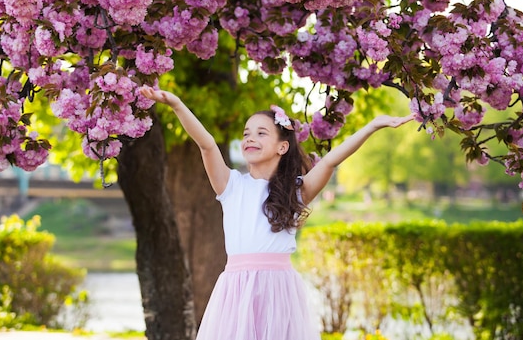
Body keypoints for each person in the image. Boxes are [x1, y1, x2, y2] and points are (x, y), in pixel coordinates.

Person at [140, 87, 415, 340]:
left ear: (282, 147)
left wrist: (372, 126)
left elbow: (331, 160)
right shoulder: (231, 185)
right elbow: (207, 144)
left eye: (261, 133)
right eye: (247, 133)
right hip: (236, 290)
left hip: (279, 289)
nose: (250, 138)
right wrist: (176, 104)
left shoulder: (295, 191)